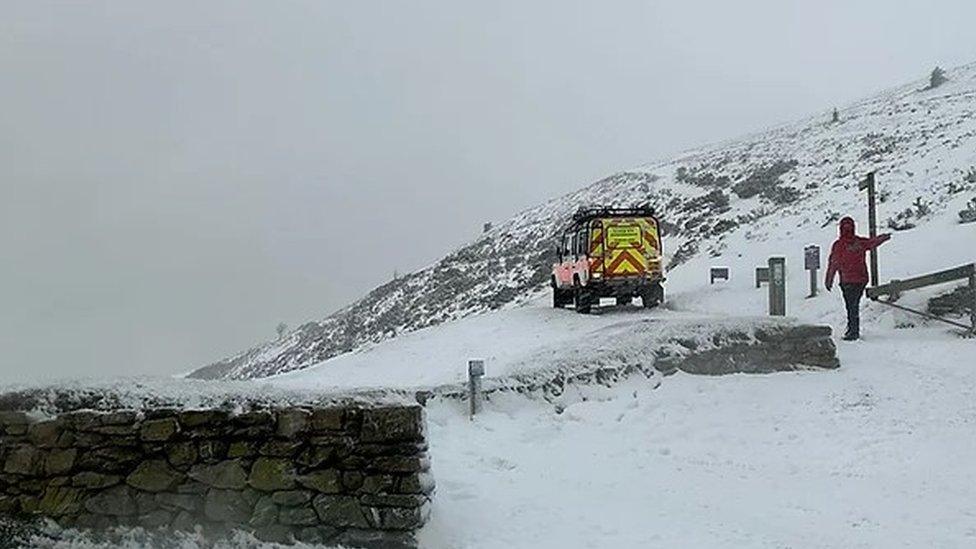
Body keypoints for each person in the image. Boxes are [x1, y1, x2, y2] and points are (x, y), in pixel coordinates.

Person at [824, 217, 891, 340]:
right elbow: (872, 243)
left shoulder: (838, 245)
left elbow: (832, 264)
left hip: (847, 280)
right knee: (854, 305)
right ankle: (853, 329)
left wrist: (829, 280)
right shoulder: (859, 242)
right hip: (861, 279)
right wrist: (883, 238)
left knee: (851, 306)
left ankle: (853, 331)